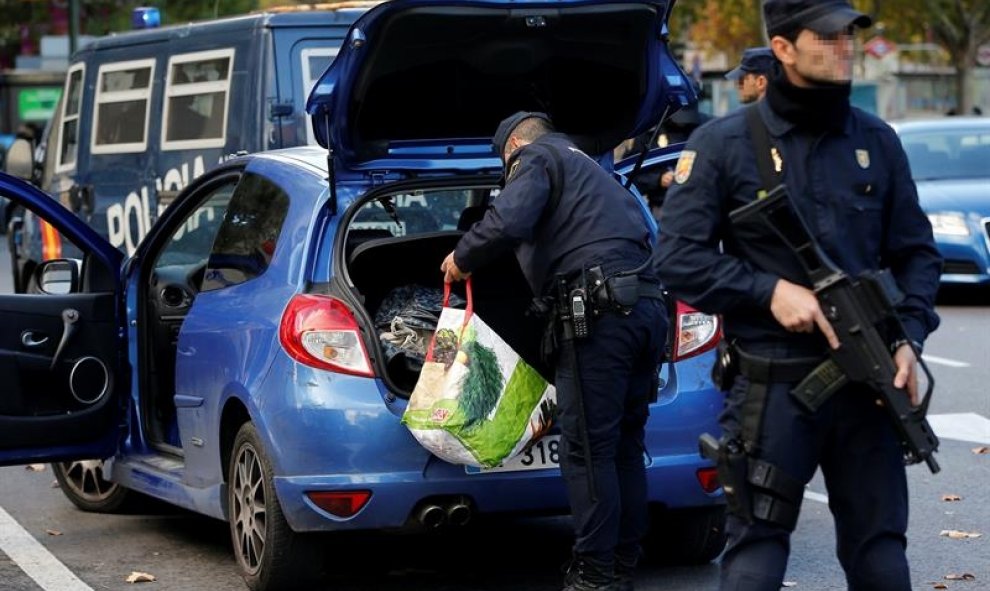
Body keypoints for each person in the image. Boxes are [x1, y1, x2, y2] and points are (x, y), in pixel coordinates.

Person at [654, 1, 943, 590]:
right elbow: (677, 260)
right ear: (783, 49)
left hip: (871, 387)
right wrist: (768, 291)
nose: (845, 46)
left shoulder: (877, 140)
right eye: (828, 36)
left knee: (882, 558)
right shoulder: (723, 144)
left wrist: (909, 337)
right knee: (756, 558)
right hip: (773, 390)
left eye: (850, 34)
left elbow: (917, 254)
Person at [441, 112, 667, 591]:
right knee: (624, 444)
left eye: (506, 162)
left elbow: (512, 218)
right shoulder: (594, 170)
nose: (509, 169)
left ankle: (595, 576)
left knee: (587, 450)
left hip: (601, 316)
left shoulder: (536, 158)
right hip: (647, 310)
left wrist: (462, 257)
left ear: (516, 144)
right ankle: (622, 563)